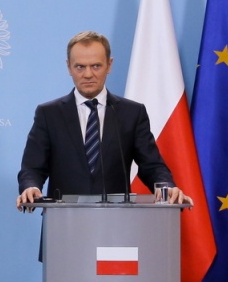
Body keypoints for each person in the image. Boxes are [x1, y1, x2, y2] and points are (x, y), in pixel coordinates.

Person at [16, 31, 192, 211]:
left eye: (96, 66)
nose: (88, 74)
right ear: (68, 67)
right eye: (80, 67)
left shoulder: (132, 113)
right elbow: (32, 168)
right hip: (63, 224)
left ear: (109, 65)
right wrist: (31, 187)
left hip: (117, 223)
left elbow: (152, 165)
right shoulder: (49, 114)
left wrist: (166, 187)